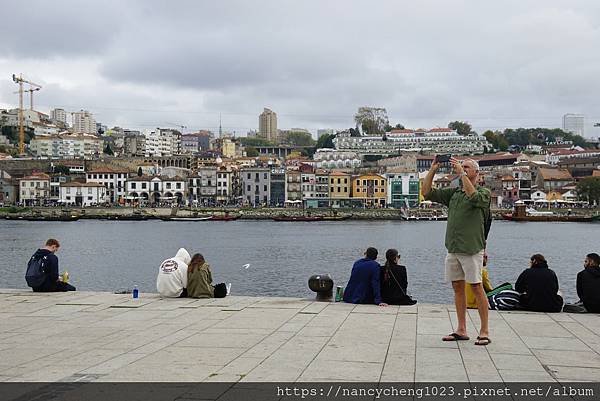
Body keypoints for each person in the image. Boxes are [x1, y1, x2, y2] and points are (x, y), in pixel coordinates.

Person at [422, 157, 491, 345]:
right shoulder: (453, 194)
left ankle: (484, 331)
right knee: (457, 288)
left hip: (471, 249)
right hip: (453, 248)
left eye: (468, 167)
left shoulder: (484, 192)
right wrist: (433, 169)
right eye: (463, 166)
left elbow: (474, 197)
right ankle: (461, 329)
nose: (464, 168)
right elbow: (426, 192)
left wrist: (461, 173)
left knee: (477, 287)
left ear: (477, 173)